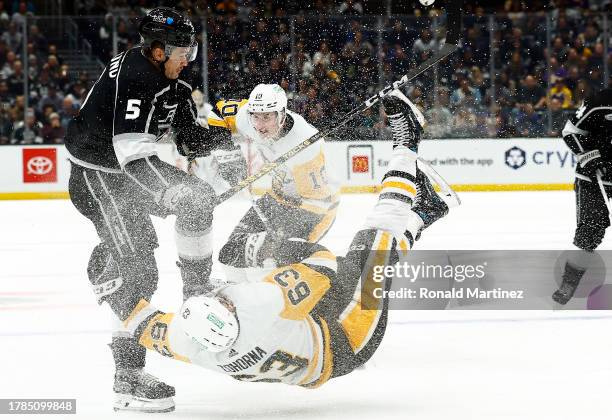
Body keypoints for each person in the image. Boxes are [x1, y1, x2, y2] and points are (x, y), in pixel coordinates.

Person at [105, 91, 455, 393]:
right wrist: (273, 249)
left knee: (236, 259)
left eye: (266, 117)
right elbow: (323, 263)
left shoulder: (190, 344)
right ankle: (408, 145)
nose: (259, 124)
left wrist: (106, 290)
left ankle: (426, 211)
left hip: (302, 212)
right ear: (232, 313)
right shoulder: (259, 304)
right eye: (223, 302)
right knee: (377, 238)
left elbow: (144, 324)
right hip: (352, 336)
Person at [65, 7, 232, 412]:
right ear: (158, 51)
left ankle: (196, 290)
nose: (187, 60)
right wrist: (173, 193)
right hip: (98, 178)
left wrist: (234, 139)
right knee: (137, 272)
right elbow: (133, 158)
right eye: (183, 53)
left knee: (197, 207)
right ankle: (128, 378)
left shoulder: (168, 82)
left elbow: (190, 138)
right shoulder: (139, 78)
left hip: (123, 172)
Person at [205, 84, 340, 280]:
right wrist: (227, 153)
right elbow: (217, 112)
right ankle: (237, 298)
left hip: (316, 208)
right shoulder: (246, 119)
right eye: (256, 116)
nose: (260, 125)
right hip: (275, 198)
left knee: (279, 264)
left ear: (282, 114)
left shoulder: (306, 145)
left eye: (267, 117)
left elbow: (317, 202)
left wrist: (283, 233)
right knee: (231, 253)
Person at [554, 88, 612, 304]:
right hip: (593, 179)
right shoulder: (600, 100)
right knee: (590, 232)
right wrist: (590, 155)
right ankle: (569, 282)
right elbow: (570, 132)